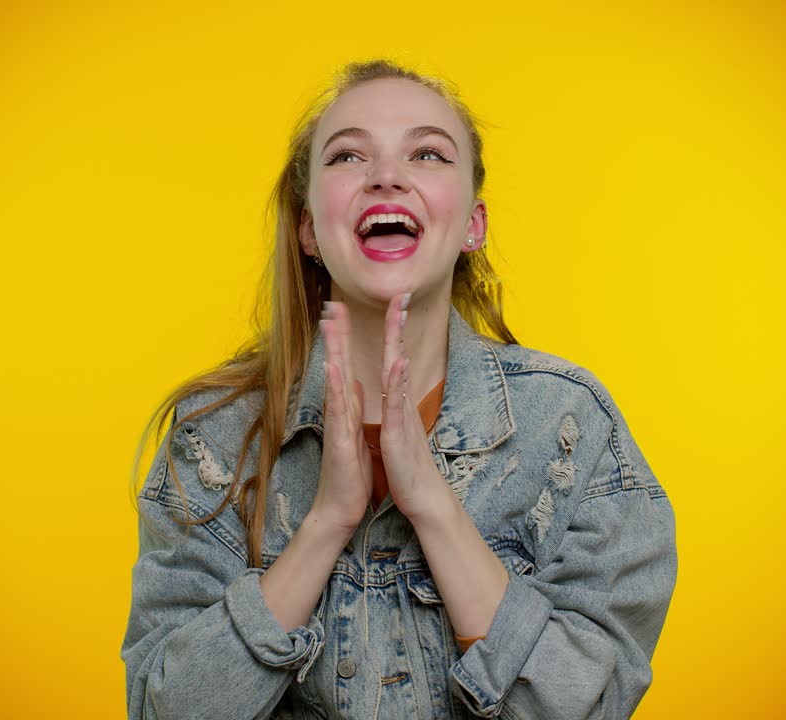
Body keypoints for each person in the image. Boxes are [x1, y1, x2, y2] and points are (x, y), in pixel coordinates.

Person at [121, 58, 678, 720]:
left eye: (428, 153)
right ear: (308, 230)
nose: (386, 176)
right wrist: (326, 523)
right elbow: (166, 709)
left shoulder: (570, 427)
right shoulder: (211, 441)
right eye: (350, 155)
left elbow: (591, 706)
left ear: (473, 225)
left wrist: (434, 510)